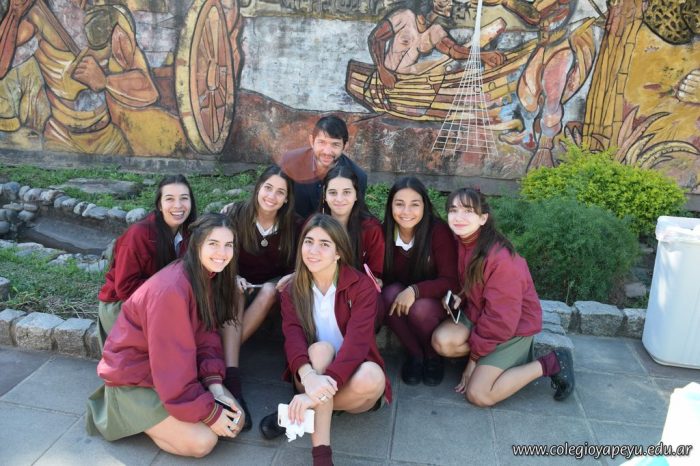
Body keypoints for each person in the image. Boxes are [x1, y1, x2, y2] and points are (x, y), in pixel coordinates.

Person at [86, 213, 245, 458]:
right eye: (213, 243)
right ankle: (124, 413)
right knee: (202, 442)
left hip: (169, 372)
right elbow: (171, 365)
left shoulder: (206, 275)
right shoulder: (172, 290)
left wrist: (215, 386)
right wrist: (210, 413)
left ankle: (175, 415)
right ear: (197, 244)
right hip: (135, 377)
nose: (222, 253)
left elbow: (206, 334)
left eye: (228, 245)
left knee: (236, 419)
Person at [258, 214, 391, 466]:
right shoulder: (292, 289)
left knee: (374, 377)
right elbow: (293, 338)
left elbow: (357, 345)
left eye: (324, 244)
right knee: (320, 349)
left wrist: (313, 396)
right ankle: (322, 457)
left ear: (338, 252)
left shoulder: (361, 286)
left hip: (352, 380)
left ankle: (300, 410)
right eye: (308, 242)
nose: (313, 250)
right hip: (312, 373)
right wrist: (308, 376)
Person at [431, 188, 574, 406]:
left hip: (512, 328)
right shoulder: (462, 241)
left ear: (483, 218)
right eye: (453, 210)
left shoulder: (502, 260)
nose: (459, 217)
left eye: (468, 211)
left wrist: (473, 361)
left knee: (479, 394)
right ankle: (488, 357)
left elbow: (501, 319)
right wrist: (461, 294)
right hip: (481, 314)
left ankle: (552, 362)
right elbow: (472, 281)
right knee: (442, 341)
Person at [220, 165, 299, 430]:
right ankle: (232, 379)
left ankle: (217, 356)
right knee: (235, 288)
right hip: (235, 287)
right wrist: (232, 275)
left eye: (280, 192)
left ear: (286, 198)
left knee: (268, 290)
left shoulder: (293, 224)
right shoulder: (235, 214)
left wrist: (286, 278)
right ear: (258, 188)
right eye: (268, 188)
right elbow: (218, 251)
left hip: (271, 291)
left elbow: (297, 266)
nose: (272, 196)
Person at [97, 174, 196, 346]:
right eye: (170, 199)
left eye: (184, 198)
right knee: (172, 339)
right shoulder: (139, 235)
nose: (178, 205)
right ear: (159, 205)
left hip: (162, 302)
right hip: (123, 305)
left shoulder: (189, 232)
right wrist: (171, 293)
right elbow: (125, 288)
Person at [380, 177, 458, 386]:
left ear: (425, 206)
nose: (406, 211)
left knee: (420, 308)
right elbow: (383, 276)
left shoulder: (438, 232)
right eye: (399, 204)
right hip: (401, 297)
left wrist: (415, 291)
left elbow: (451, 281)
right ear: (390, 206)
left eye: (414, 204)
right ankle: (415, 354)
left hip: (434, 303)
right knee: (388, 295)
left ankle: (433, 356)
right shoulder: (385, 232)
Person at [368, 0, 505, 89]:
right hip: (385, 76)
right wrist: (381, 70)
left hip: (405, 82)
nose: (451, 3)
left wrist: (483, 55)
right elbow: (376, 39)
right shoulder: (404, 16)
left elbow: (455, 51)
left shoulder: (436, 31)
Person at [278, 115, 367, 219]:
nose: (327, 152)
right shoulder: (291, 162)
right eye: (321, 142)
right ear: (312, 141)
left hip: (334, 227)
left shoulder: (358, 176)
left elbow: (355, 214)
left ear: (345, 146)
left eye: (335, 144)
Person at [319, 165, 384, 279]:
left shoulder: (371, 229)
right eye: (333, 192)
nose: (339, 199)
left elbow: (374, 274)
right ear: (325, 195)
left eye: (346, 192)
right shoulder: (315, 226)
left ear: (356, 195)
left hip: (360, 286)